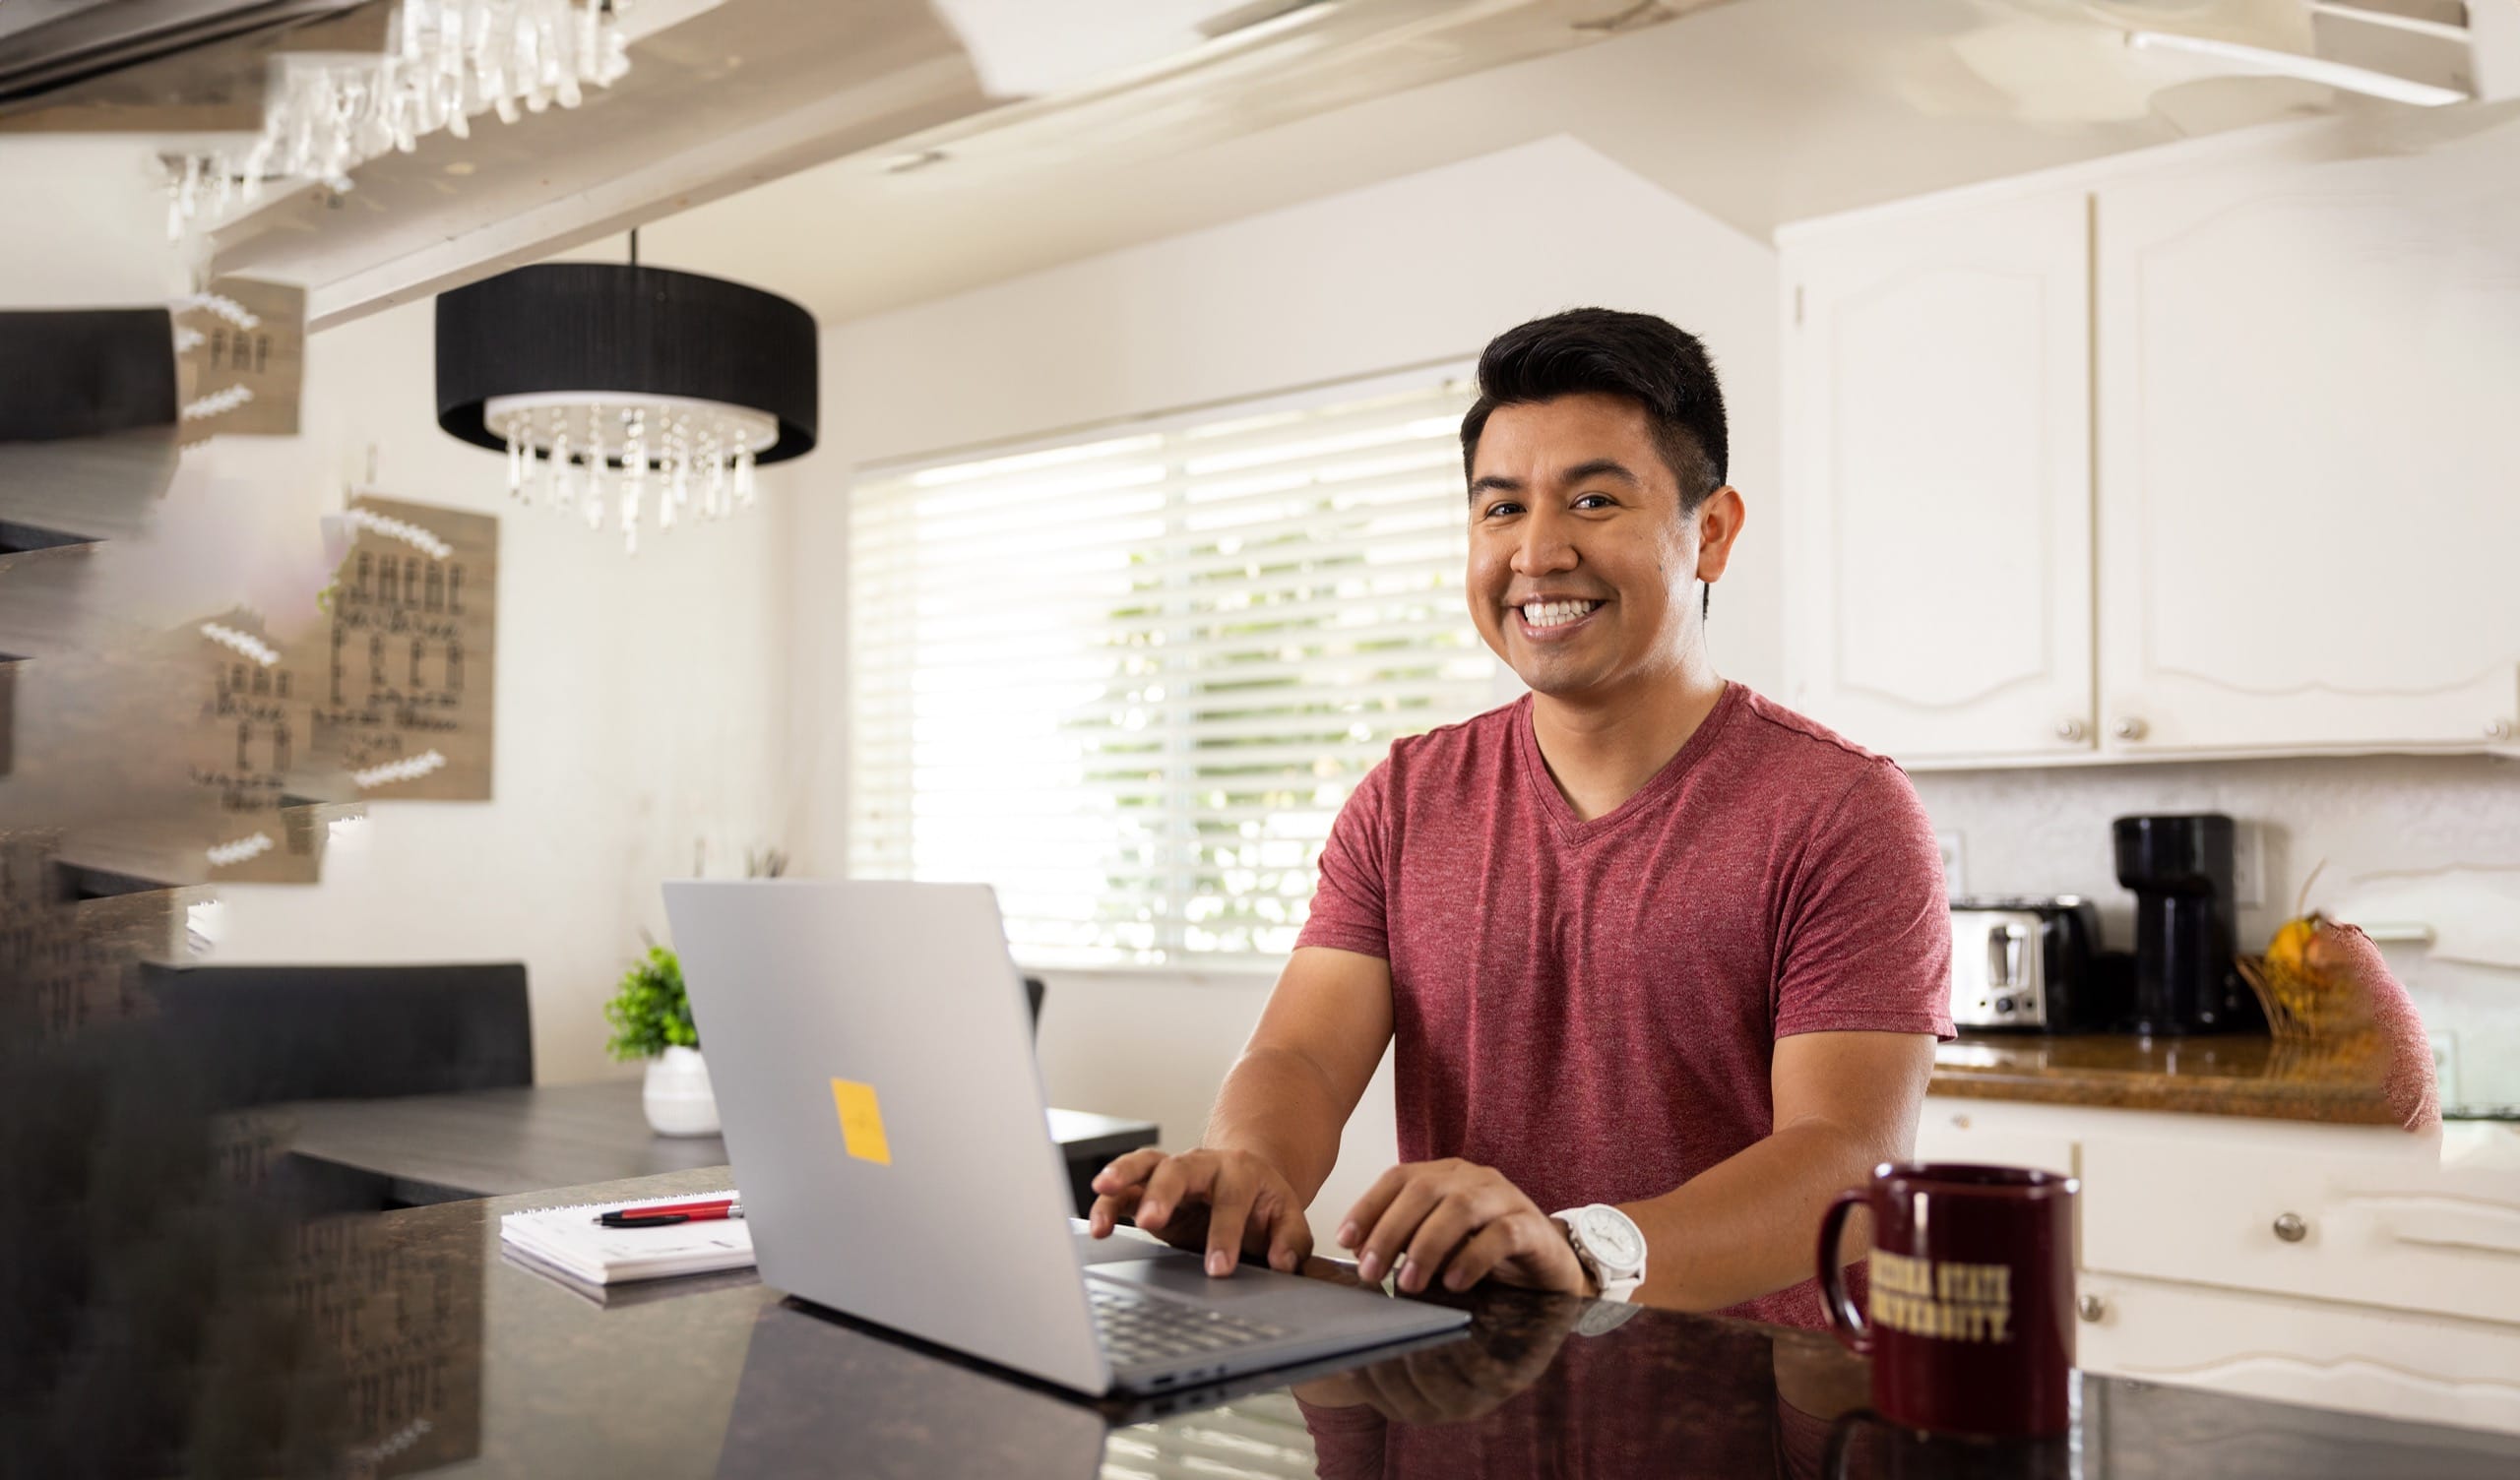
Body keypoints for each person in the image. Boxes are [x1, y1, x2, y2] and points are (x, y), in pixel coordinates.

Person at [1087, 308, 1953, 1326]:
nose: (1538, 552)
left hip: (1740, 1407)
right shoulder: (1404, 799)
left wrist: (1583, 1247)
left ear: (1709, 533)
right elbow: (1303, 1057)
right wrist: (1247, 1168)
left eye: (1592, 499)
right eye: (1500, 510)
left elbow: (1846, 1160)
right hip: (1461, 1387)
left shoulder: (1842, 811)